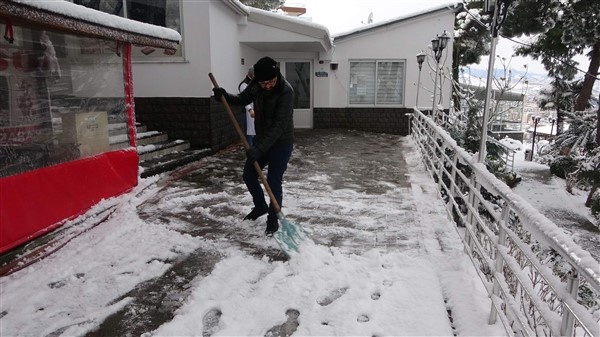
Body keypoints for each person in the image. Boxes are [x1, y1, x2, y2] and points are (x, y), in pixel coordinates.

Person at [213, 56, 294, 237]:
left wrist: (258, 148)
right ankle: (260, 206)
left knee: (273, 182)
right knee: (249, 175)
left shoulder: (286, 91)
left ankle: (273, 221)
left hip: (281, 142)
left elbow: (280, 125)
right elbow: (243, 98)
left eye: (271, 82)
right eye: (264, 82)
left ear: (277, 76)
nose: (267, 86)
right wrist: (225, 96)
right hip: (263, 139)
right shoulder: (257, 85)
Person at [238, 67, 256, 146]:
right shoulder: (244, 85)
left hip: (255, 112)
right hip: (247, 113)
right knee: (249, 135)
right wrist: (250, 109)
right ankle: (250, 153)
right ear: (252, 75)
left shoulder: (254, 83)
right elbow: (244, 99)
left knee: (255, 134)